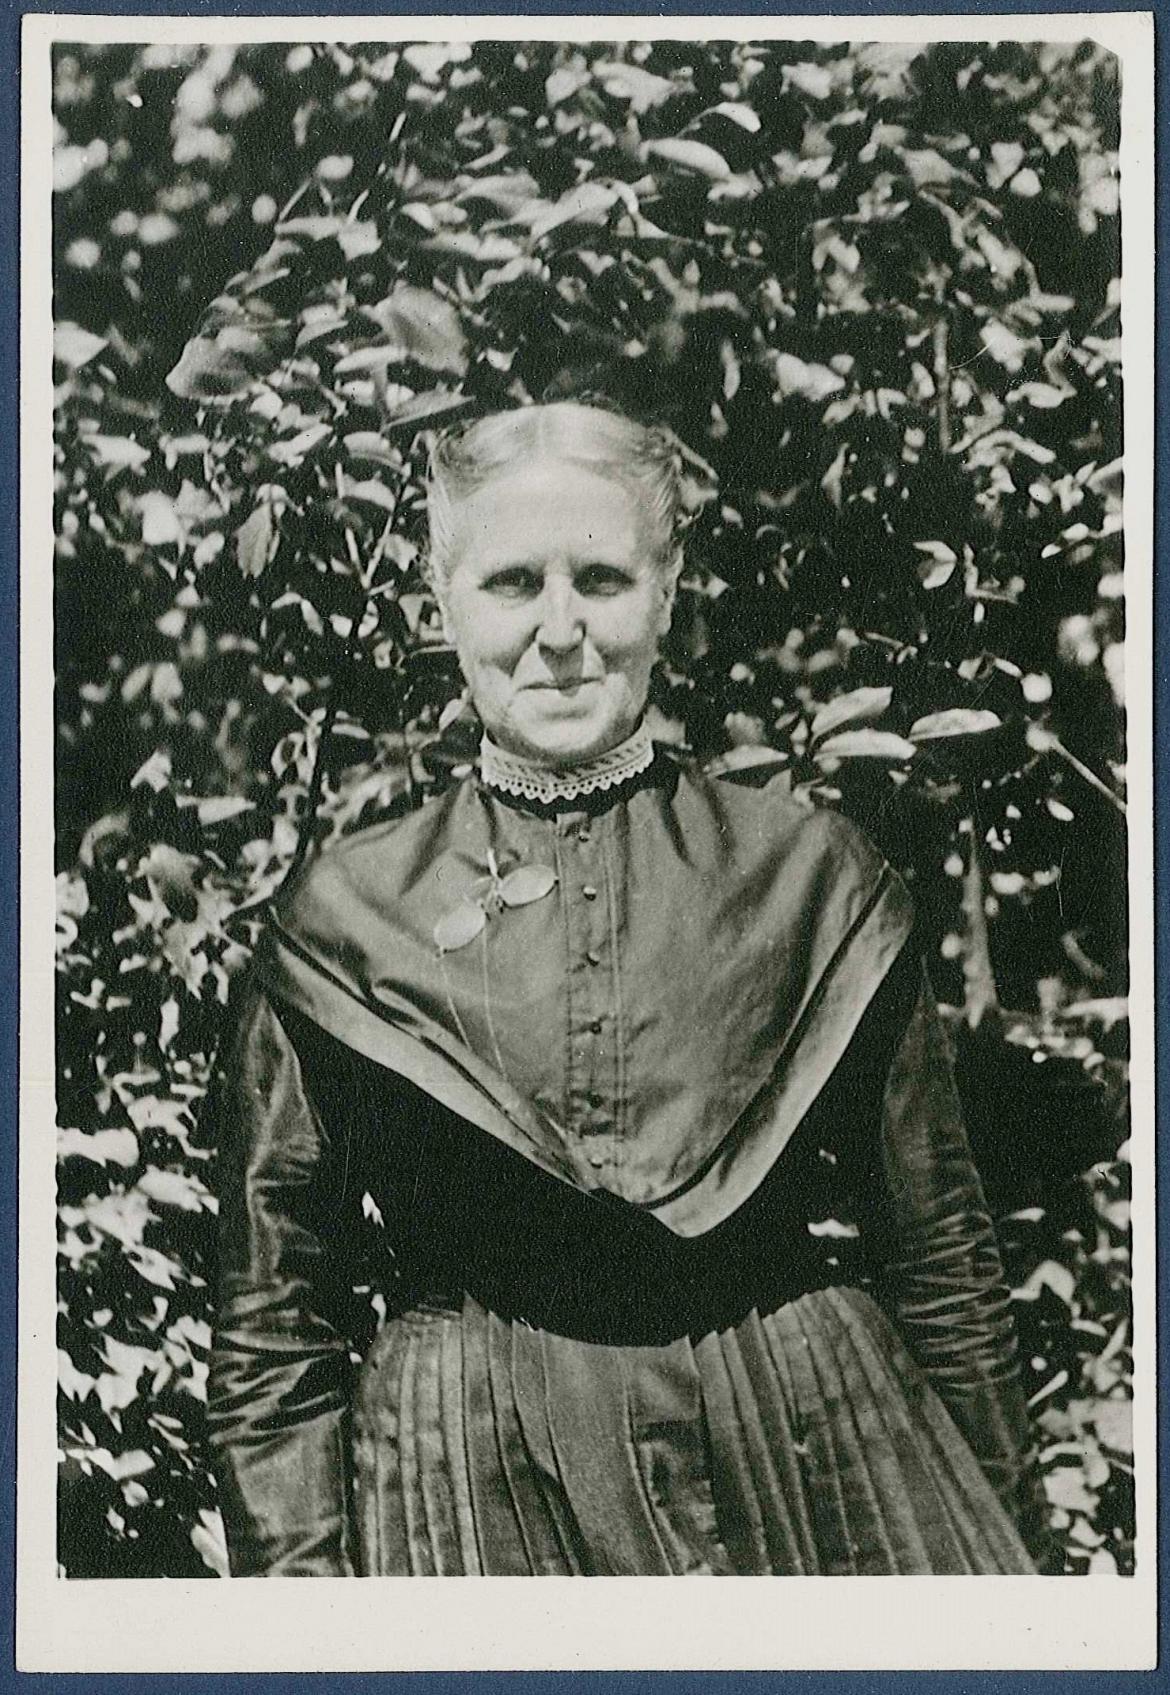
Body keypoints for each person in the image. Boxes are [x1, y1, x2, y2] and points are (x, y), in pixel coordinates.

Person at [207, 401, 1045, 1577]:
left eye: (601, 578)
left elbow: (943, 1255)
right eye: (512, 582)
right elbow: (272, 1325)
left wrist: (1013, 1574)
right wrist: (300, 1599)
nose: (561, 631)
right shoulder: (349, 914)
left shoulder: (810, 876)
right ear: (443, 601)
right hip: (469, 1475)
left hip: (804, 1454)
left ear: (666, 591)